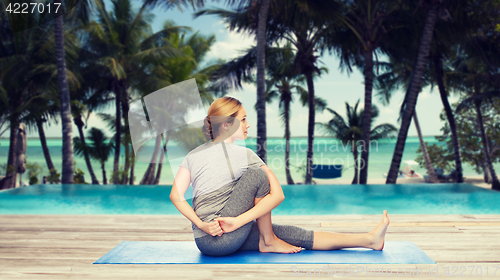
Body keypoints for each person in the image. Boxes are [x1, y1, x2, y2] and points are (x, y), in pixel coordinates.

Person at [170, 97, 390, 256]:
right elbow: (277, 195)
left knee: (294, 235)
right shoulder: (245, 155)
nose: (248, 125)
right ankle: (268, 241)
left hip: (205, 242)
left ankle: (369, 240)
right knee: (259, 175)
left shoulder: (193, 154)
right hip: (225, 236)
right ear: (227, 125)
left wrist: (203, 224)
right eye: (243, 119)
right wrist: (237, 221)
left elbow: (176, 196)